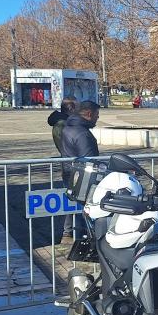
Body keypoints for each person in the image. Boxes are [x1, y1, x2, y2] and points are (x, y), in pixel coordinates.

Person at [60, 101, 102, 242]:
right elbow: (89, 160)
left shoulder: (69, 126)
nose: (98, 118)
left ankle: (69, 233)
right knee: (84, 208)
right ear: (89, 114)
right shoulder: (82, 133)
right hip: (81, 176)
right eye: (97, 115)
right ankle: (85, 240)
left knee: (72, 206)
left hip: (69, 172)